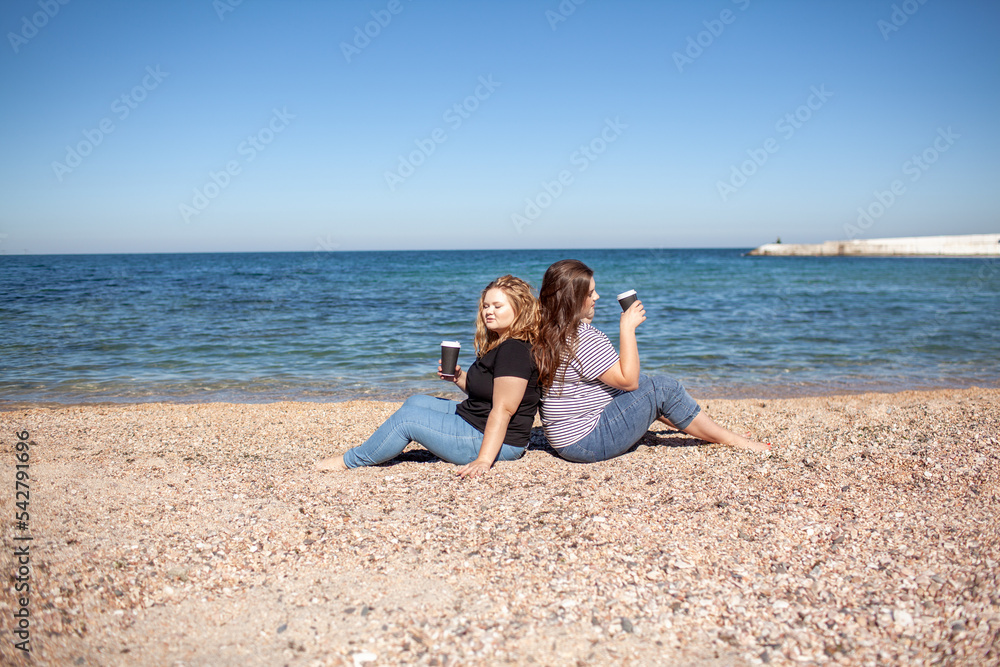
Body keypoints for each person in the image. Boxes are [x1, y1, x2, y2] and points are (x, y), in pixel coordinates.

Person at [533, 259, 770, 463]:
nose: (597, 296)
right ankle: (730, 439)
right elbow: (629, 381)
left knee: (650, 385)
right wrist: (627, 328)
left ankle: (705, 430)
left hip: (563, 437)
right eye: (589, 293)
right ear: (573, 299)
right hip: (588, 441)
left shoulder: (551, 330)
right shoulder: (582, 338)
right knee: (663, 387)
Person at [316, 275, 540, 478]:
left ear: (519, 309)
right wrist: (459, 378)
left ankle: (352, 460)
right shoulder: (501, 343)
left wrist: (483, 460)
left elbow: (504, 409)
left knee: (406, 420)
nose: (488, 311)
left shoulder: (514, 350)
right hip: (475, 419)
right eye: (485, 306)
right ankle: (380, 446)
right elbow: (486, 393)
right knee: (416, 401)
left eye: (497, 306)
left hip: (494, 441)